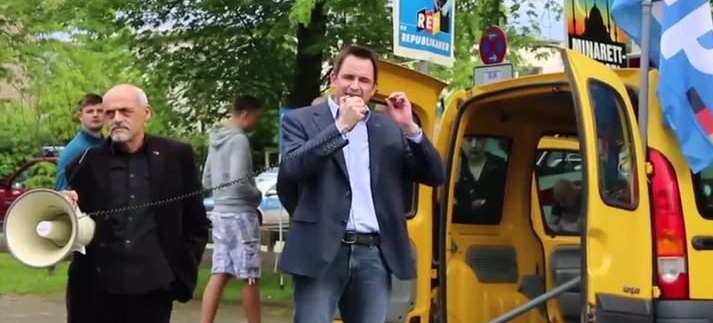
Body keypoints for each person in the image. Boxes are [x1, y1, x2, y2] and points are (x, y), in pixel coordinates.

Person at [277, 44, 445, 323]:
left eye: (364, 80)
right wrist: (340, 127)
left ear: (374, 88)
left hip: (373, 255)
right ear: (334, 79)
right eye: (348, 77)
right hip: (319, 252)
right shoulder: (301, 120)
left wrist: (411, 128)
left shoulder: (387, 127)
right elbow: (291, 171)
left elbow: (434, 175)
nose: (355, 86)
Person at [61, 84, 209, 323]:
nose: (117, 119)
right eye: (110, 113)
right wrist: (66, 205)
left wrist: (181, 270)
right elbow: (72, 223)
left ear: (146, 113)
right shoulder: (85, 162)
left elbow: (197, 221)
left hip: (154, 290)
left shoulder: (176, 156)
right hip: (96, 294)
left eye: (125, 111)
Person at [200, 95, 263, 323]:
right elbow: (238, 181)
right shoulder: (239, 140)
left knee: (220, 270)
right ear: (246, 113)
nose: (255, 122)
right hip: (240, 214)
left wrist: (221, 192)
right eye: (255, 117)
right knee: (250, 275)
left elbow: (207, 180)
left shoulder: (216, 139)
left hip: (220, 212)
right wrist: (256, 194)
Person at [452, 136, 508, 224]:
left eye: (478, 139)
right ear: (461, 142)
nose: (474, 145)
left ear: (485, 142)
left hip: (494, 227)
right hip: (459, 227)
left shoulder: (500, 166)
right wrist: (469, 206)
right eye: (469, 140)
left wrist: (486, 204)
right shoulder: (453, 166)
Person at [55, 93, 105, 191]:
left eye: (100, 111)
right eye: (90, 111)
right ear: (80, 116)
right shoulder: (73, 151)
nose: (95, 115)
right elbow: (62, 192)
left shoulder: (107, 145)